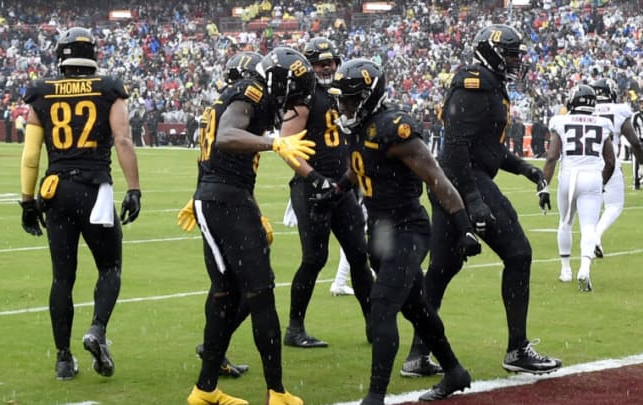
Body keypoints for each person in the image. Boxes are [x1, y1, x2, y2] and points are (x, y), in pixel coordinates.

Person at [401, 23, 562, 378]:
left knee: (442, 270)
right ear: (490, 52)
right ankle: (517, 349)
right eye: (510, 54)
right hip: (462, 180)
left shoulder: (487, 83)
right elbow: (456, 146)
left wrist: (525, 169)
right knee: (519, 254)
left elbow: (486, 146)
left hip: (452, 181)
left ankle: (417, 354)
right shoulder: (474, 84)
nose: (516, 61)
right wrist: (472, 201)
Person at [329, 58, 482, 404]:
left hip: (407, 229)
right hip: (381, 230)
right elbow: (360, 166)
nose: (343, 106)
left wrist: (464, 227)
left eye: (350, 99)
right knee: (416, 308)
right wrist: (338, 189)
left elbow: (437, 178)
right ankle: (454, 371)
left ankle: (375, 396)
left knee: (382, 304)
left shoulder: (394, 129)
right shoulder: (360, 127)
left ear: (369, 97)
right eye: (341, 99)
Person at [177, 47, 315, 405]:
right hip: (225, 201)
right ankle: (277, 393)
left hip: (221, 197)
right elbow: (226, 136)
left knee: (227, 292)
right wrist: (274, 143)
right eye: (293, 91)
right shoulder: (250, 91)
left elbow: (221, 158)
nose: (294, 101)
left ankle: (205, 389)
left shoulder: (242, 94)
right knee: (260, 292)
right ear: (278, 81)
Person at [19, 27, 141, 380]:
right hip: (95, 190)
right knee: (109, 268)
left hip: (56, 191)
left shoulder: (42, 91)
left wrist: (28, 201)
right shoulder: (109, 87)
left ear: (62, 56)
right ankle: (97, 329)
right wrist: (134, 188)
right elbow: (122, 140)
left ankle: (62, 358)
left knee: (62, 278)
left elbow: (30, 156)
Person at [280, 37, 374, 348]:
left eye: (331, 61)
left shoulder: (341, 93)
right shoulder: (303, 96)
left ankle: (375, 324)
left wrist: (352, 177)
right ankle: (295, 329)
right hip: (312, 188)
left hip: (342, 186)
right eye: (320, 62)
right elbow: (287, 146)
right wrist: (315, 177)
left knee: (359, 256)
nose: (327, 67)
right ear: (307, 65)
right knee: (314, 259)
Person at [186, 51, 265, 380]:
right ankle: (214, 345)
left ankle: (215, 348)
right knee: (248, 285)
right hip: (226, 200)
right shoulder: (242, 100)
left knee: (224, 285)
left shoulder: (217, 105)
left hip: (215, 196)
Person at [543, 85, 616, 291]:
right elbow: (610, 161)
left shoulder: (561, 121)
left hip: (569, 176)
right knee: (589, 227)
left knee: (565, 222)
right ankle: (584, 268)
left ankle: (565, 269)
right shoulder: (603, 123)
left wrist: (544, 187)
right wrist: (601, 183)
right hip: (592, 175)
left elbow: (552, 157)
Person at [589, 78, 643, 258]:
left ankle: (568, 264)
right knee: (614, 205)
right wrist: (642, 163)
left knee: (587, 204)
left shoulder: (585, 109)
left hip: (585, 160)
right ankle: (596, 236)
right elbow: (635, 142)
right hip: (608, 160)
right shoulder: (620, 110)